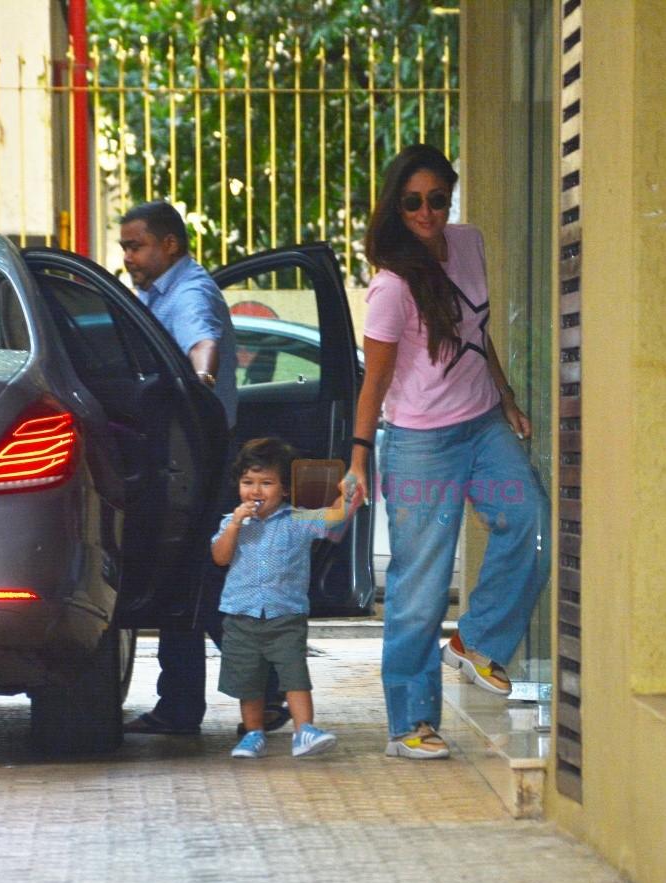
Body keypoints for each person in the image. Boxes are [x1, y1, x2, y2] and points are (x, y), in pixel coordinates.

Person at [343, 144, 551, 760]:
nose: (428, 212)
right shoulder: (391, 286)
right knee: (420, 588)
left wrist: (506, 396)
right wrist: (358, 455)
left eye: (438, 198)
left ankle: (476, 641)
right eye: (413, 202)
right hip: (420, 445)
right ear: (395, 206)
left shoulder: (470, 244)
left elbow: (477, 333)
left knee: (532, 519)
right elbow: (374, 381)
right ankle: (410, 724)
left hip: (482, 427)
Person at [116, 201, 288, 736]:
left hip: (199, 460)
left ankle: (269, 691)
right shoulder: (152, 292)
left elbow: (204, 343)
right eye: (124, 246)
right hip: (175, 460)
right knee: (182, 585)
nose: (128, 257)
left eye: (136, 245)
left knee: (202, 585)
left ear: (169, 244)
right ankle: (181, 705)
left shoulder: (189, 291)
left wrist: (201, 383)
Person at [212, 437, 362, 759]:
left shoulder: (297, 520)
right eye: (248, 482)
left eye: (266, 483)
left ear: (284, 490)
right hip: (241, 615)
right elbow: (220, 557)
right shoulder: (231, 522)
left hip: (286, 615)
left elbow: (331, 520)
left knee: (295, 674)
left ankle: (304, 731)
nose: (256, 491)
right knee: (249, 682)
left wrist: (348, 497)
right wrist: (235, 524)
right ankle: (253, 734)